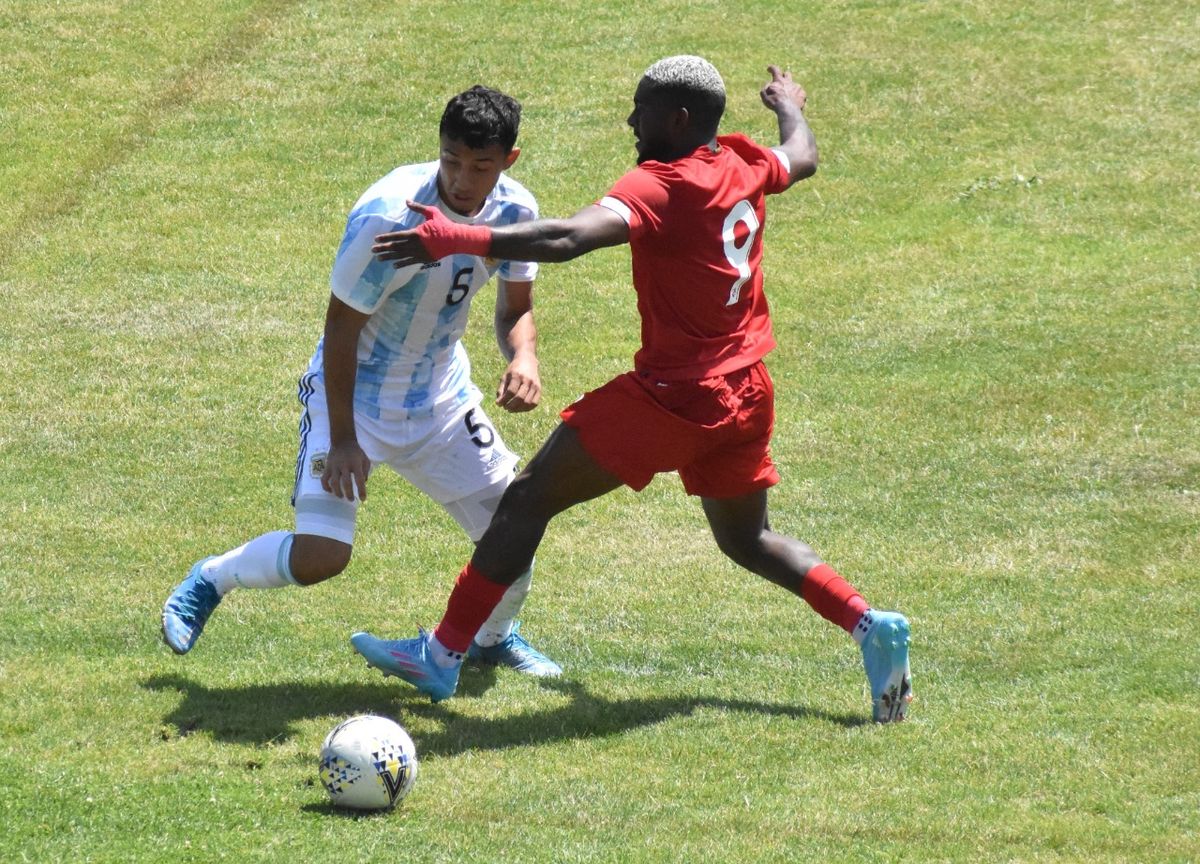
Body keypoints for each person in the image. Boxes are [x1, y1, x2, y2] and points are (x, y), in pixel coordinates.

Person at [352, 58, 912, 722]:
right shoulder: (745, 161)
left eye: (640, 109)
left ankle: (441, 655)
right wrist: (789, 103)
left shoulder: (659, 183)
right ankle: (868, 623)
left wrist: (456, 237)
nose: (629, 120)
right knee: (747, 540)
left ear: (677, 119)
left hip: (677, 395)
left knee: (526, 499)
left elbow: (565, 237)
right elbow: (804, 155)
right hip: (747, 391)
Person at [160, 86, 562, 677]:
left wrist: (523, 357)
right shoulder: (389, 215)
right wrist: (346, 440)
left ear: (509, 160)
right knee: (324, 556)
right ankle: (211, 578)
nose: (462, 178)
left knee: (513, 529)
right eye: (452, 159)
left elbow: (513, 310)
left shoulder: (516, 212)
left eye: (480, 166)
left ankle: (492, 638)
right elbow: (341, 329)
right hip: (356, 401)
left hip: (441, 400)